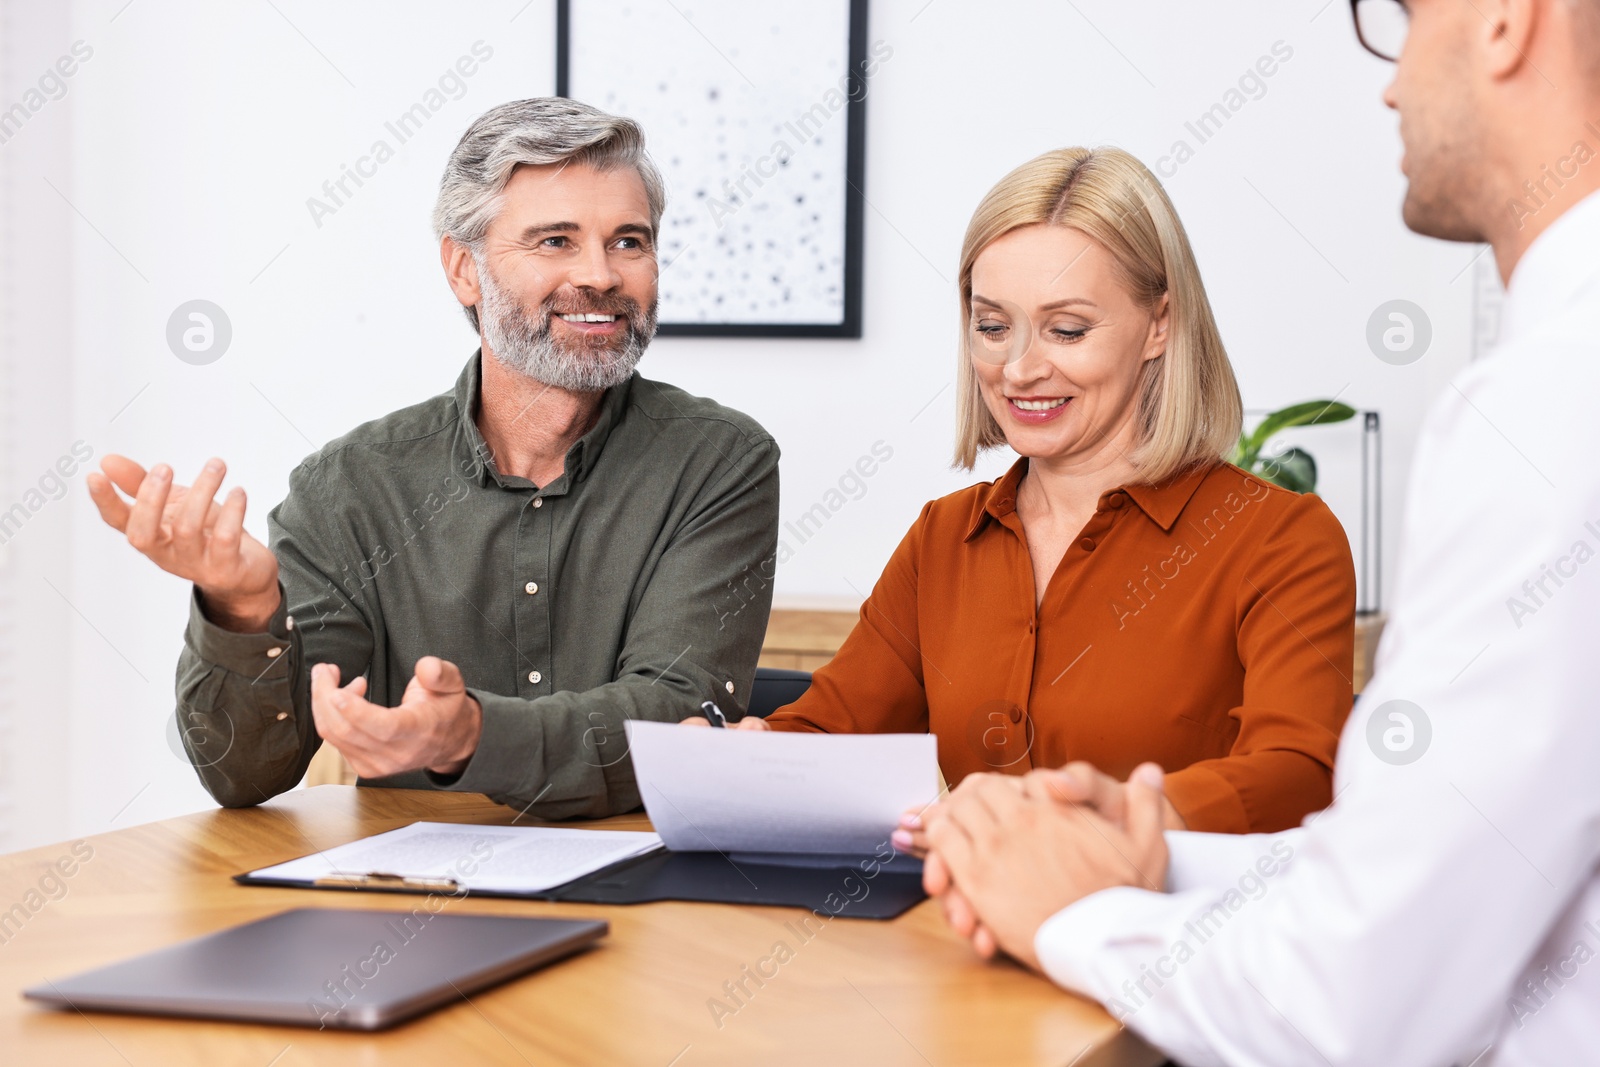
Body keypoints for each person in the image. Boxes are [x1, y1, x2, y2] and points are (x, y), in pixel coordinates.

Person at [906, 0, 1600, 1062]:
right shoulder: (945, 532)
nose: (1390, 78)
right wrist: (1121, 850)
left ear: (1508, 21)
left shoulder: (1551, 402)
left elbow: (1362, 997)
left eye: (1403, 20)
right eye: (991, 323)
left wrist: (1072, 904)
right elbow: (1422, 880)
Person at [86, 98, 780, 818]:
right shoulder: (351, 485)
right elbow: (243, 775)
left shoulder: (721, 462)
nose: (601, 275)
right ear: (463, 270)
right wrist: (244, 607)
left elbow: (675, 722)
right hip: (410, 913)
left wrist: (471, 735)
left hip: (651, 907)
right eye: (555, 242)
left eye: (629, 242)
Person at [691, 147, 1357, 835]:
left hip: (1177, 928)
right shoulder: (944, 538)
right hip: (970, 929)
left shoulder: (1280, 537)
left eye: (1066, 329)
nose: (1020, 368)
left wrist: (1123, 817)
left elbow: (1300, 771)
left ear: (1160, 323)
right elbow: (834, 731)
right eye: (992, 326)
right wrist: (754, 758)